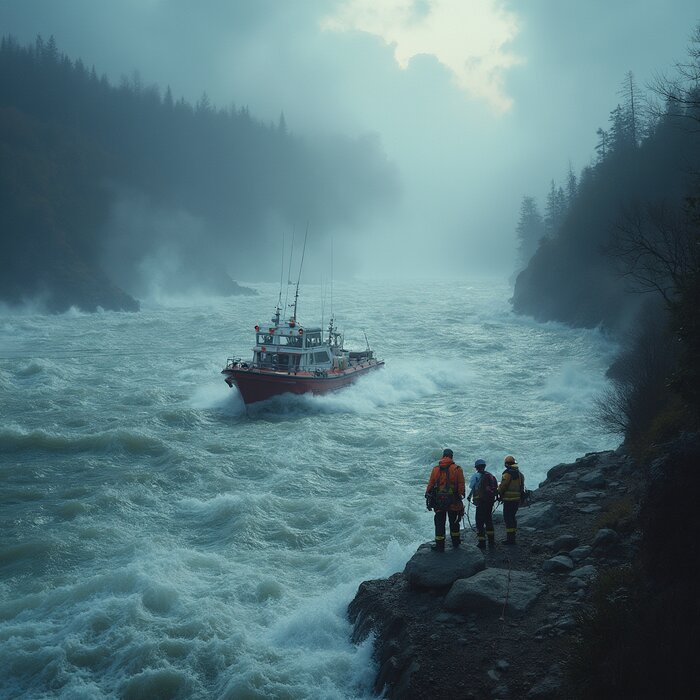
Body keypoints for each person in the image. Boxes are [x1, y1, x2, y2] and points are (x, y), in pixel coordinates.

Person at [425, 449, 465, 552]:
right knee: (454, 522)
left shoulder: (436, 469)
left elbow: (431, 484)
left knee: (439, 523)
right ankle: (455, 543)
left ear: (443, 456)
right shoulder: (457, 469)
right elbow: (461, 485)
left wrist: (427, 494)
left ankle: (440, 546)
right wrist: (461, 496)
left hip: (439, 502)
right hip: (454, 501)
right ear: (451, 457)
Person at [467, 458, 497, 549]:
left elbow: (471, 486)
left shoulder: (476, 476)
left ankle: (482, 543)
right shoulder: (491, 476)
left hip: (481, 502)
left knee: (479, 522)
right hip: (490, 501)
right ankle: (491, 541)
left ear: (476, 467)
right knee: (488, 520)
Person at [498, 455, 524, 545]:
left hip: (508, 500)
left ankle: (510, 539)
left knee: (508, 518)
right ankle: (513, 537)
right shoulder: (520, 474)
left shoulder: (507, 474)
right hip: (516, 500)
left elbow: (503, 486)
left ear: (506, 464)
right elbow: (522, 487)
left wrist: (498, 493)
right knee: (512, 518)